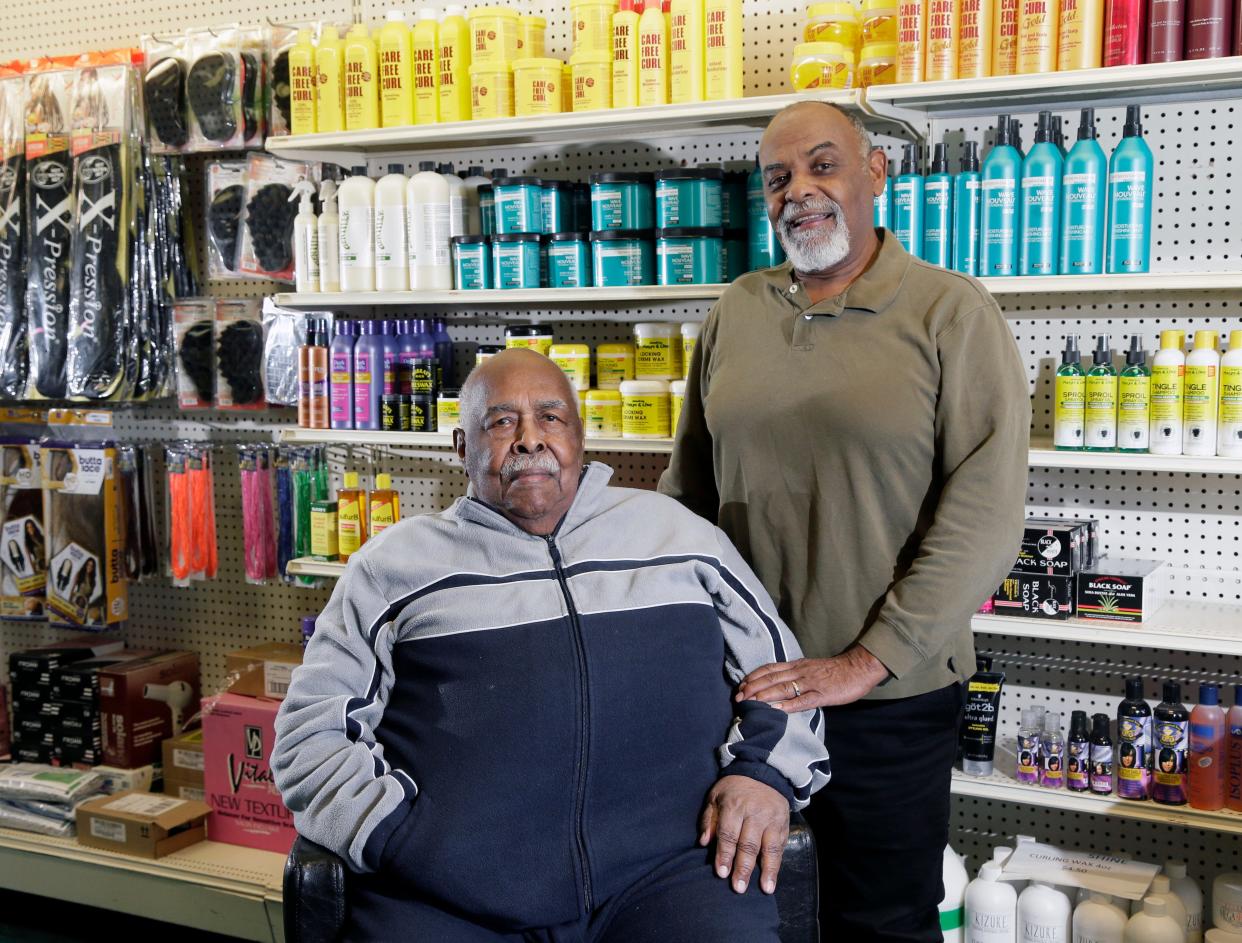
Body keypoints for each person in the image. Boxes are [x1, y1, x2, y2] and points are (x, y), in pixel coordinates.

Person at [272, 348, 830, 942]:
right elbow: (310, 739)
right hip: (449, 895)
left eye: (551, 417)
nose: (529, 439)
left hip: (671, 873)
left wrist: (762, 775)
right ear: (461, 447)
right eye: (501, 421)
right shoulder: (394, 569)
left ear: (580, 436)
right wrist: (406, 839)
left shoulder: (683, 538)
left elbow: (785, 678)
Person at [660, 100, 1030, 942]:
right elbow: (688, 496)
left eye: (823, 165)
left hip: (890, 700)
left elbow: (986, 513)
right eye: (778, 177)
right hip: (745, 695)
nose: (800, 191)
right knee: (746, 913)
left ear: (875, 174)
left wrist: (864, 661)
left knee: (881, 923)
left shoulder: (949, 313)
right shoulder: (736, 312)